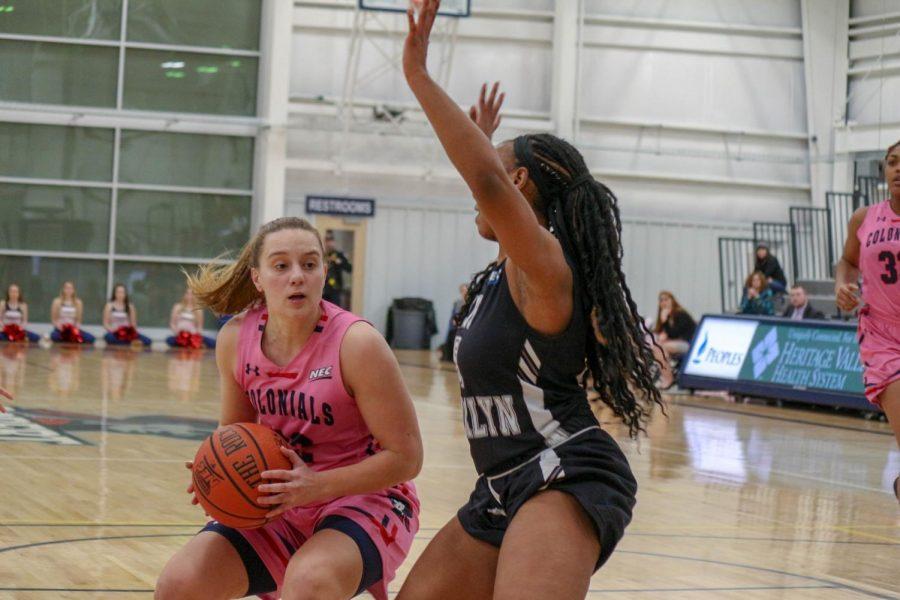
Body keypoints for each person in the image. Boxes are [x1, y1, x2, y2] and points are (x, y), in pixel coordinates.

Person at [397, 4, 665, 598]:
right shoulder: (495, 279)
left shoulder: (544, 269)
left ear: (517, 185)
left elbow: (487, 185)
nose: (479, 194)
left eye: (496, 173)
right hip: (498, 483)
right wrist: (487, 143)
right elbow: (493, 185)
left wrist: (418, 73)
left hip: (564, 472)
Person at [155, 217, 423, 600]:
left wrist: (317, 486)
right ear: (258, 279)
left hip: (366, 496)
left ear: (324, 273)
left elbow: (407, 457)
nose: (297, 276)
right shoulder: (235, 339)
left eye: (310, 264)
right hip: (281, 499)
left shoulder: (358, 344)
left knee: (309, 583)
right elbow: (234, 434)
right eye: (281, 265)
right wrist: (214, 472)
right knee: (180, 584)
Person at [835, 139, 900, 503]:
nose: (898, 168)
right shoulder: (864, 218)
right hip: (882, 337)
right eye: (892, 162)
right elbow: (847, 260)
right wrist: (843, 284)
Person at [651, 291, 696, 390]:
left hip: (690, 344)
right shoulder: (666, 316)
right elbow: (660, 333)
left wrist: (664, 321)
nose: (664, 302)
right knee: (657, 347)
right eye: (661, 300)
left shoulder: (680, 313)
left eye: (666, 299)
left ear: (672, 300)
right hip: (677, 344)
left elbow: (674, 333)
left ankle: (668, 378)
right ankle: (667, 376)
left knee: (660, 347)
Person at [323, 231, 353, 309]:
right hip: (322, 288)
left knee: (335, 310)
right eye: (327, 240)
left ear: (333, 241)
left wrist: (339, 261)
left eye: (330, 239)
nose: (328, 242)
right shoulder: (321, 254)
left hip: (335, 288)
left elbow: (349, 268)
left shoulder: (338, 254)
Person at [439, 283, 467, 362]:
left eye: (465, 291)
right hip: (455, 327)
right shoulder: (457, 303)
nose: (463, 293)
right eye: (462, 291)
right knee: (450, 336)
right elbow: (454, 317)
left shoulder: (470, 302)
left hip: (463, 326)